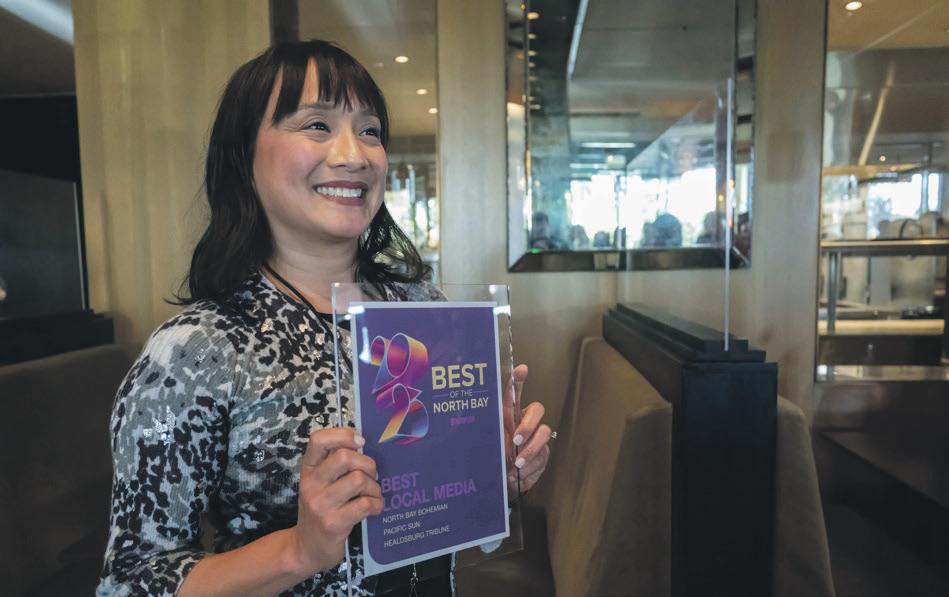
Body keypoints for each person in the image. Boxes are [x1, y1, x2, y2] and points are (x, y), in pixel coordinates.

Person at [97, 40, 551, 596]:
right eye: (316, 125)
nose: (354, 155)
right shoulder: (198, 349)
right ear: (243, 155)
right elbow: (132, 580)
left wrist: (493, 472)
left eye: (370, 131)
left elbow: (447, 519)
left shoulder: (420, 307)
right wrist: (299, 549)